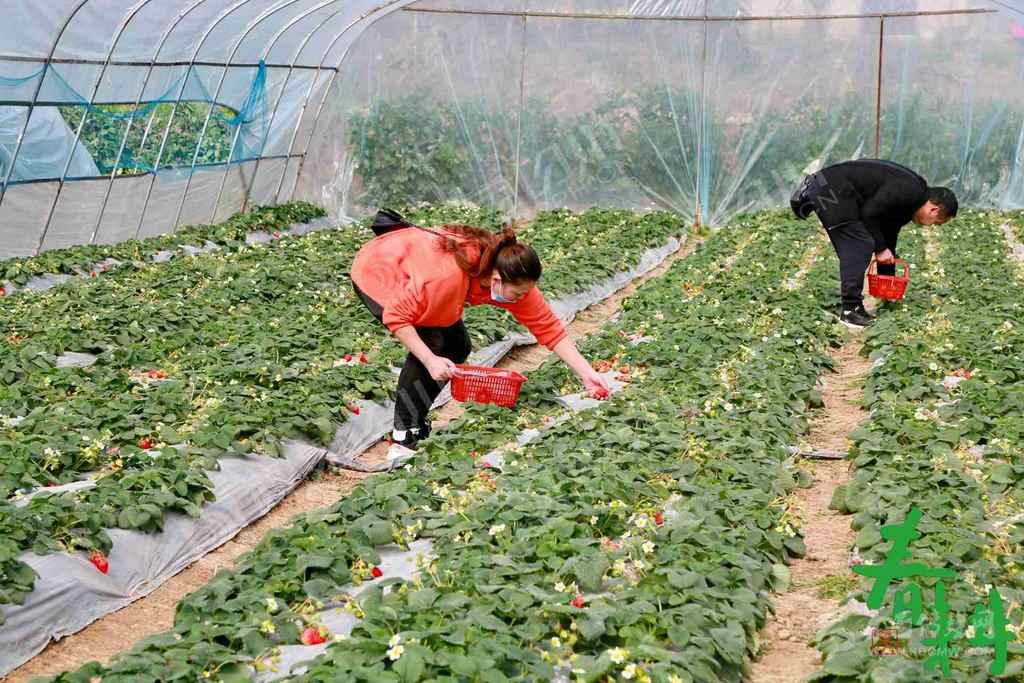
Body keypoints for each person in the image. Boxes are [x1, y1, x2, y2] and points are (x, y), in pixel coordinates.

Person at [350, 222, 610, 454]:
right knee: (435, 345)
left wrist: (586, 373)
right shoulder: (446, 278)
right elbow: (397, 317)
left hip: (413, 263)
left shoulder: (510, 277)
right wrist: (430, 360)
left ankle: (415, 422)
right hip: (378, 270)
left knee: (457, 345)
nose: (521, 298)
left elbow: (548, 327)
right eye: (517, 294)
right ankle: (404, 436)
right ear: (496, 280)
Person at [790, 159, 957, 328]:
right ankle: (850, 310)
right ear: (934, 210)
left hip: (828, 186)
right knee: (859, 244)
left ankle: (809, 191)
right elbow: (869, 214)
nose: (930, 226)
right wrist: (881, 249)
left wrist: (888, 281)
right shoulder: (910, 192)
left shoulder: (911, 199)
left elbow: (888, 231)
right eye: (936, 223)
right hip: (830, 189)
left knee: (863, 242)